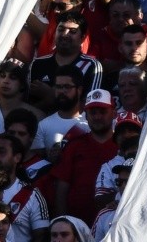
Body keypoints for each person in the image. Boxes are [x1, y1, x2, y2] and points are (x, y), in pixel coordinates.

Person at [51, 88, 117, 225]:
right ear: (86, 116)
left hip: (113, 223)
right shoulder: (74, 146)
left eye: (103, 111)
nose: (97, 117)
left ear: (114, 113)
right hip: (78, 226)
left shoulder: (122, 146)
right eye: (93, 112)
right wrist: (62, 222)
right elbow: (61, 188)